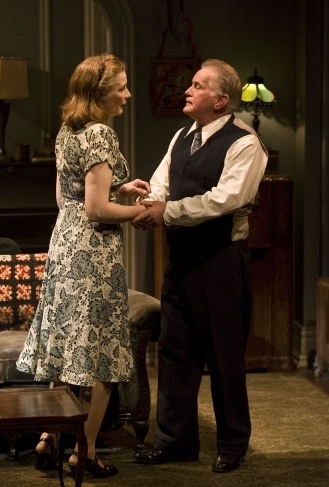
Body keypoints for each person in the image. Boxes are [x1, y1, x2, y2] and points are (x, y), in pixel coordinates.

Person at [16, 53, 150, 478]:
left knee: (70, 352)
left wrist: (120, 189)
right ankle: (84, 451)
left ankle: (49, 437)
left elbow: (67, 200)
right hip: (93, 253)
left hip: (65, 244)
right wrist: (142, 211)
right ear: (99, 93)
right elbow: (95, 209)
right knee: (101, 358)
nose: (127, 94)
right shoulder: (100, 135)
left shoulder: (67, 131)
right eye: (121, 87)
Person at [132, 59, 268, 473]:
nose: (187, 91)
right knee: (175, 350)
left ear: (221, 100)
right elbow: (162, 181)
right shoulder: (182, 136)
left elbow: (224, 199)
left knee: (224, 355)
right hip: (182, 260)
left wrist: (166, 211)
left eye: (197, 85)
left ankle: (231, 444)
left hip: (221, 261)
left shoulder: (244, 143)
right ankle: (175, 440)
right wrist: (148, 200)